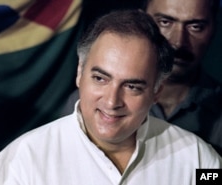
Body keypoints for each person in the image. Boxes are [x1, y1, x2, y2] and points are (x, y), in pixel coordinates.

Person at [0, 10, 221, 185]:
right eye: (100, 79)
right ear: (79, 73)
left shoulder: (200, 161)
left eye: (132, 86)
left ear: (156, 92)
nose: (111, 102)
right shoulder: (23, 159)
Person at [61, 0, 222, 156]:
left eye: (195, 27)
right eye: (165, 22)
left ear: (214, 27)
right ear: (141, 21)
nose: (179, 42)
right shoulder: (85, 103)